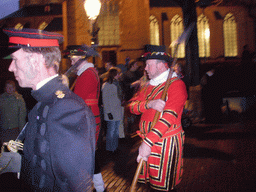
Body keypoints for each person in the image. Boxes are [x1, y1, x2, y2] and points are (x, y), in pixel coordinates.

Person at [3, 28, 95, 191]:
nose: (11, 67)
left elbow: (75, 184)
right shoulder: (42, 103)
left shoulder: (68, 109)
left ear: (36, 60)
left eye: (15, 60)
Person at [129, 46, 187, 192]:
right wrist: (150, 104)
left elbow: (169, 118)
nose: (146, 68)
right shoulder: (148, 86)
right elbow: (132, 107)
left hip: (165, 142)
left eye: (149, 64)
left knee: (163, 186)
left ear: (161, 65)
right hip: (148, 140)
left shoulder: (176, 85)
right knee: (151, 185)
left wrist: (147, 143)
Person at [63, 45, 105, 192]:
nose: (71, 61)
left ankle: (98, 187)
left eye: (73, 58)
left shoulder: (87, 73)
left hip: (87, 117)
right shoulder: (85, 72)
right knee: (88, 153)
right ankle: (98, 187)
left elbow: (78, 99)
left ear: (81, 58)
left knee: (89, 153)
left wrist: (64, 91)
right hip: (86, 115)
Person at [102, 67, 123, 154]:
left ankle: (114, 147)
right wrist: (108, 112)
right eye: (117, 74)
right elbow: (105, 99)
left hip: (116, 110)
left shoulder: (116, 83)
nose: (119, 75)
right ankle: (110, 148)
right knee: (111, 131)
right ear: (114, 75)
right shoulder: (107, 85)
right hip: (111, 111)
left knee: (116, 130)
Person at [0, 80, 26, 146]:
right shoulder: (1, 98)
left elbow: (22, 117)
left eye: (11, 87)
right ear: (5, 88)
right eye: (7, 87)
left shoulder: (19, 99)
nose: (9, 89)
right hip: (4, 131)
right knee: (4, 151)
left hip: (15, 131)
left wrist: (22, 133)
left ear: (14, 88)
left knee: (14, 151)